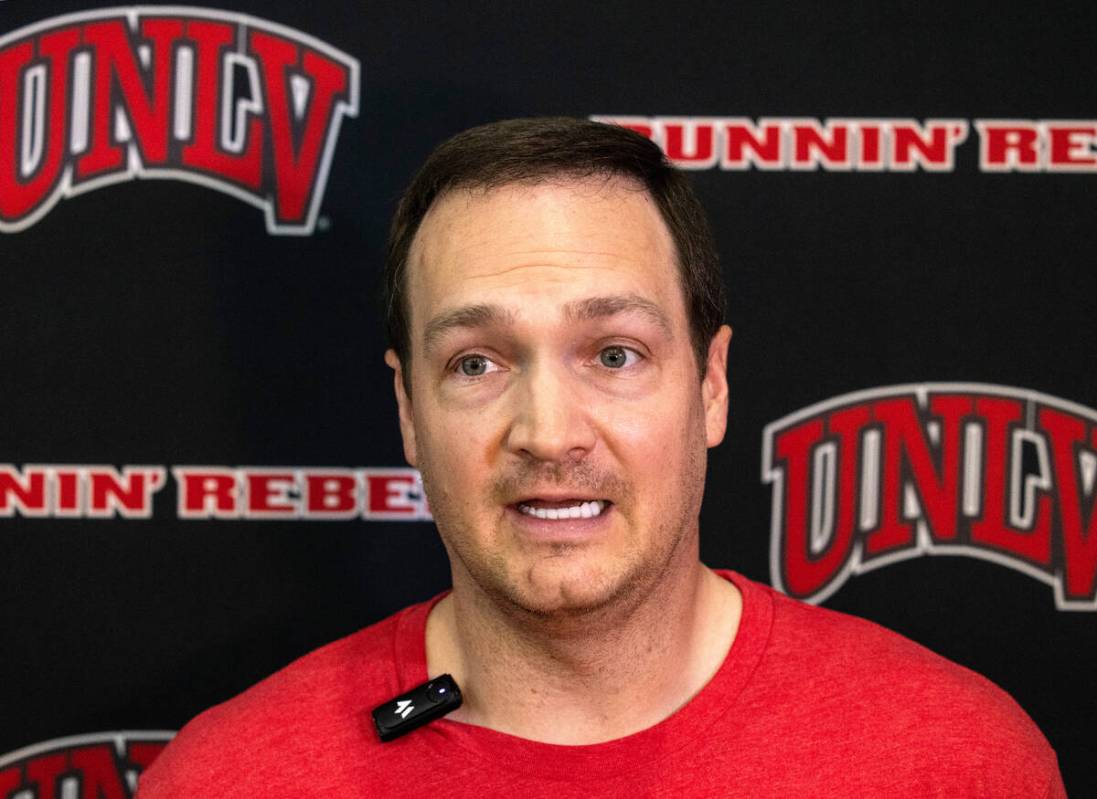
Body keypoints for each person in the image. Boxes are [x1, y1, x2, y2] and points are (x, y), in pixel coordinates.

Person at [137, 118, 1065, 797]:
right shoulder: (230, 779)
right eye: (476, 362)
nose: (548, 430)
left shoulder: (954, 760)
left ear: (710, 385)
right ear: (407, 412)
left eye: (614, 354)